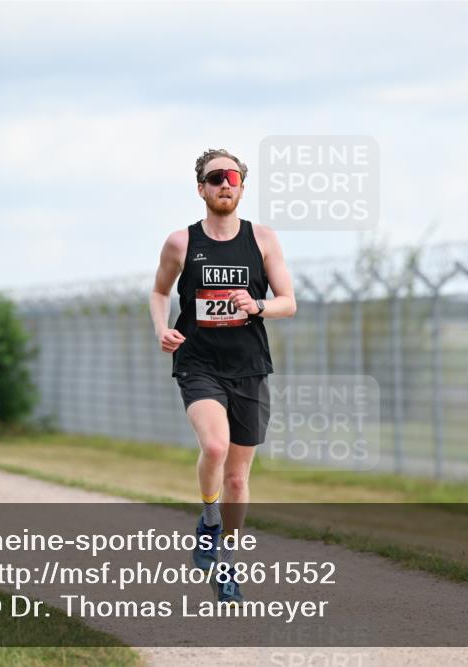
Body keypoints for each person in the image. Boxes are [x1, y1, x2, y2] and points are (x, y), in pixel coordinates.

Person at [149, 148, 297, 604]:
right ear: (202, 189)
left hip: (249, 367)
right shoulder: (181, 243)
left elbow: (288, 300)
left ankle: (227, 562)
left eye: (232, 177)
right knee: (214, 445)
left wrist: (259, 306)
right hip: (199, 363)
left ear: (242, 187)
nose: (225, 184)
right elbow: (158, 291)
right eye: (216, 178)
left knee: (239, 477)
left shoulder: (263, 239)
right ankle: (209, 516)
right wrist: (162, 329)